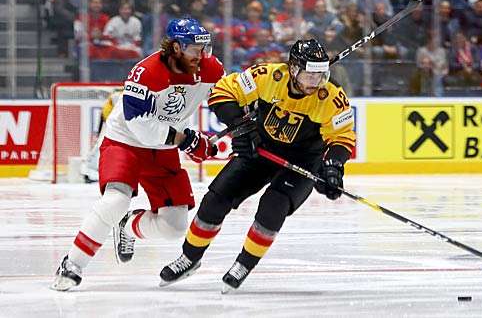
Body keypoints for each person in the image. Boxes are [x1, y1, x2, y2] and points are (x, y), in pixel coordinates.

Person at [159, 39, 356, 292]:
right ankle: (190, 257)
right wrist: (243, 131)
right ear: (293, 69)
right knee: (216, 200)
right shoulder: (267, 76)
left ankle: (243, 264)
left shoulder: (330, 96)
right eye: (309, 75)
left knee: (273, 207)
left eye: (320, 76)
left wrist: (333, 167)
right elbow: (222, 92)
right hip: (260, 149)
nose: (315, 82)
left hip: (303, 160)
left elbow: (342, 138)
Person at [51, 17, 225, 291]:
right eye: (196, 49)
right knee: (115, 200)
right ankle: (72, 264)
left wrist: (246, 113)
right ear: (177, 48)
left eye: (205, 48)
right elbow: (142, 127)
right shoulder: (147, 73)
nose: (203, 56)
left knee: (174, 226)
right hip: (126, 142)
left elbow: (224, 97)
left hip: (164, 149)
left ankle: (128, 225)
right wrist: (188, 141)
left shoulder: (210, 68)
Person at [81, 88, 123, 183]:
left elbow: (103, 115)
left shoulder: (114, 98)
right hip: (111, 126)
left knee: (102, 148)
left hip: (111, 125)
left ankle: (90, 171)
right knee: (100, 148)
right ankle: (89, 172)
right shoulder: (117, 96)